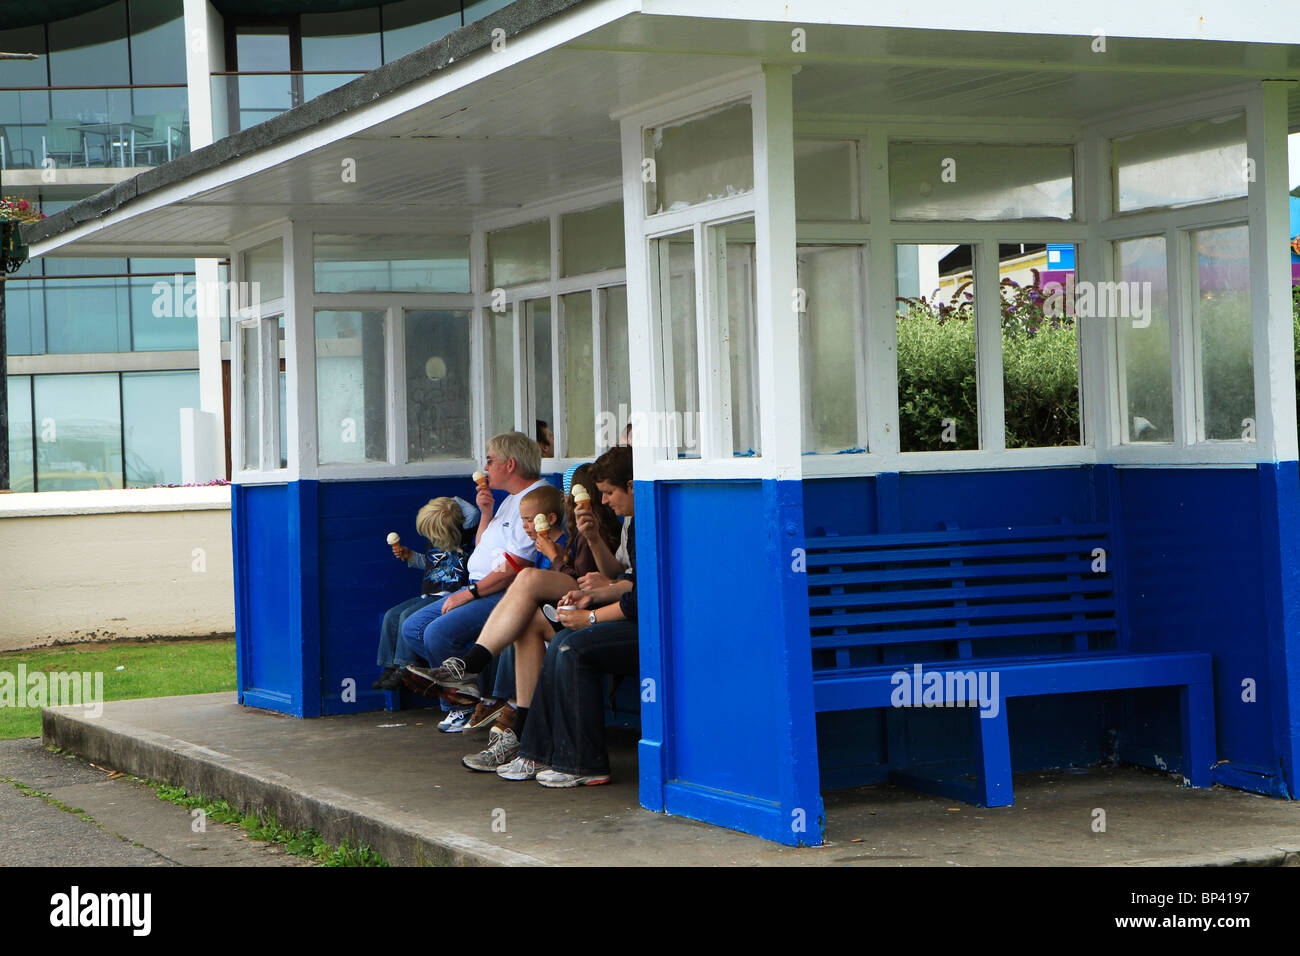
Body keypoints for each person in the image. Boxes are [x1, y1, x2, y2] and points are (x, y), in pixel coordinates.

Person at [442, 464, 625, 771]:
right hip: (573, 606)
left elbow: (593, 579)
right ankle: (526, 740)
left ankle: (473, 666)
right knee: (525, 625)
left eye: (607, 493)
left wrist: (556, 555)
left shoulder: (597, 528)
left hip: (601, 613)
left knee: (526, 577)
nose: (604, 501)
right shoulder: (579, 528)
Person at [496, 445, 638, 785]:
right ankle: (536, 753)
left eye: (608, 493)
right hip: (631, 614)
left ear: (632, 487)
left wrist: (590, 618)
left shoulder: (654, 520)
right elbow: (627, 580)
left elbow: (644, 598)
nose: (603, 502)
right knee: (562, 639)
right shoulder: (631, 522)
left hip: (656, 628)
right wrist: (591, 594)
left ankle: (585, 765)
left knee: (571, 649)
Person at [398, 432, 547, 733]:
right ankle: (473, 691)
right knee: (411, 628)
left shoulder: (534, 500)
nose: (486, 467)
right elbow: (482, 545)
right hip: (480, 587)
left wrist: (469, 593)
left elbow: (515, 567)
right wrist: (487, 512)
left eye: (490, 461)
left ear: (510, 464)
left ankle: (461, 704)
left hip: (503, 593)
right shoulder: (507, 501)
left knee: (437, 633)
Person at [372, 496, 477, 691]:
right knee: (392, 615)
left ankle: (406, 667)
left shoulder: (465, 536)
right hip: (429, 596)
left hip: (449, 597)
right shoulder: (433, 541)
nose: (431, 537)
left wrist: (449, 502)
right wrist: (410, 556)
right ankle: (389, 666)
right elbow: (431, 565)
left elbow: (473, 513)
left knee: (406, 617)